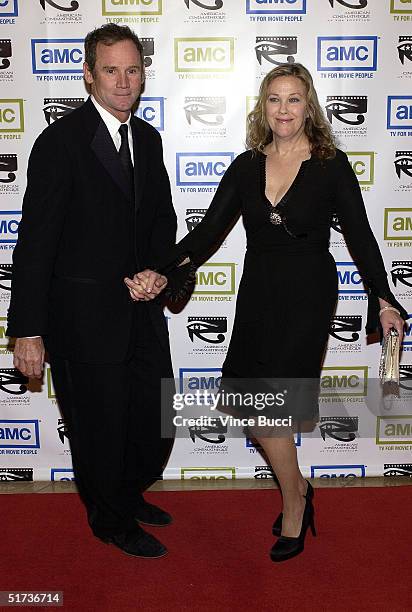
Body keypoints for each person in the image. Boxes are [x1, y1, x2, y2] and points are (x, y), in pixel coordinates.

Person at [129, 63, 408, 562]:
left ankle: (295, 504)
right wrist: (156, 267)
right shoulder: (245, 165)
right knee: (251, 401)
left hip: (308, 294)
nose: (284, 109)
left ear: (309, 105)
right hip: (258, 291)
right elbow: (206, 235)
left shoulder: (329, 164)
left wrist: (382, 297)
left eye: (294, 99)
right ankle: (299, 485)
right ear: (263, 107)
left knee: (271, 406)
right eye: (275, 99)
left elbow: (362, 236)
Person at [7, 24, 177, 559]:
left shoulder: (147, 140)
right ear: (88, 75)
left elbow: (161, 224)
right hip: (82, 319)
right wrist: (28, 329)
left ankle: (125, 493)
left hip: (143, 313)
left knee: (152, 419)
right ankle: (110, 519)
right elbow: (35, 243)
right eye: (111, 70)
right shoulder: (60, 143)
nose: (124, 81)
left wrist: (158, 271)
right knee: (99, 428)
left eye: (133, 69)